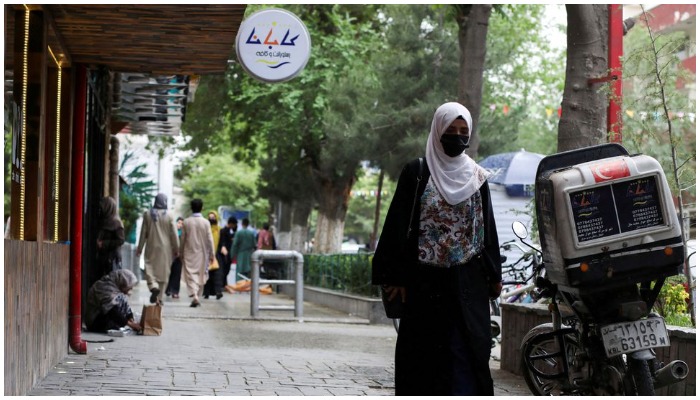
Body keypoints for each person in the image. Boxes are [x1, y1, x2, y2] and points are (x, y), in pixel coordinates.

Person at [371, 102, 503, 396]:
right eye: (450, 130)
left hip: (467, 286)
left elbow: (487, 230)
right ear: (437, 131)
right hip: (423, 285)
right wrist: (395, 277)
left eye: (463, 131)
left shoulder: (477, 177)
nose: (457, 137)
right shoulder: (417, 172)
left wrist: (495, 276)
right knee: (423, 360)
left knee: (466, 359)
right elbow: (397, 225)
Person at [136, 193, 179, 305]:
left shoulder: (147, 214)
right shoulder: (170, 215)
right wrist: (177, 249)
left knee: (149, 268)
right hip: (166, 249)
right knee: (164, 273)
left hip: (151, 246)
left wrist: (140, 248)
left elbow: (143, 233)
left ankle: (153, 286)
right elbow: (174, 234)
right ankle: (159, 298)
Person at [179, 199, 215, 307]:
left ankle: (194, 295)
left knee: (190, 275)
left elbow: (183, 239)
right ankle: (197, 295)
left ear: (191, 208)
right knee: (200, 274)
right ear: (202, 207)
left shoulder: (186, 222)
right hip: (202, 252)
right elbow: (210, 239)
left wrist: (180, 252)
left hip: (189, 252)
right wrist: (212, 253)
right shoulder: (206, 222)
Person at [96, 197, 126, 277]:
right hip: (103, 257)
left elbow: (121, 240)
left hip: (112, 258)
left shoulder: (116, 223)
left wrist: (104, 243)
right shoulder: (103, 221)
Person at [203, 210, 224, 300]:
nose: (211, 219)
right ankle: (206, 293)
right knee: (208, 274)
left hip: (217, 255)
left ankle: (218, 291)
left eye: (213, 217)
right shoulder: (205, 229)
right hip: (207, 254)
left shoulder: (219, 230)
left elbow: (222, 241)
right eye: (210, 217)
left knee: (218, 274)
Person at [166, 217, 184, 298]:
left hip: (179, 256)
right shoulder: (171, 232)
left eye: (182, 223)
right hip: (170, 255)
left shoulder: (184, 234)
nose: (180, 225)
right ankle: (168, 289)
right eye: (179, 222)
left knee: (177, 274)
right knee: (169, 273)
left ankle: (175, 291)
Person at [218, 216, 238, 286]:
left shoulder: (229, 231)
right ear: (231, 224)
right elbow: (222, 242)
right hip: (225, 253)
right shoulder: (223, 231)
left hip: (228, 253)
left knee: (226, 269)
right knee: (225, 269)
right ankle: (223, 284)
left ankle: (224, 283)